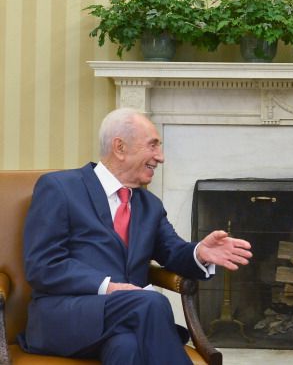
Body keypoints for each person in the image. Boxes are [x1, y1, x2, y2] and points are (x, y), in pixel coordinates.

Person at [18, 108, 253, 364]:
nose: (160, 157)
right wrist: (110, 287)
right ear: (120, 147)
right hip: (66, 317)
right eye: (153, 145)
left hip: (125, 323)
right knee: (151, 303)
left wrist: (200, 253)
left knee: (127, 347)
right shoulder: (60, 188)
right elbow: (42, 266)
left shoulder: (149, 205)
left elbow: (172, 250)